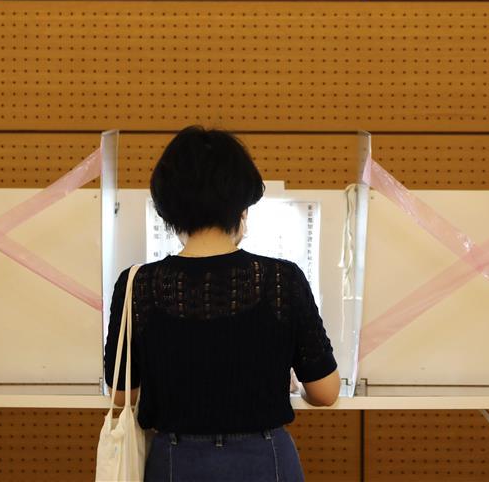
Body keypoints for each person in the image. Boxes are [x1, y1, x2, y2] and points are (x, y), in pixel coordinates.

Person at [103, 125, 340, 481]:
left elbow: (122, 395)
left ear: (168, 209)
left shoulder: (139, 284)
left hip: (176, 461)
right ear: (241, 207)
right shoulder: (281, 278)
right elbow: (326, 392)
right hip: (266, 460)